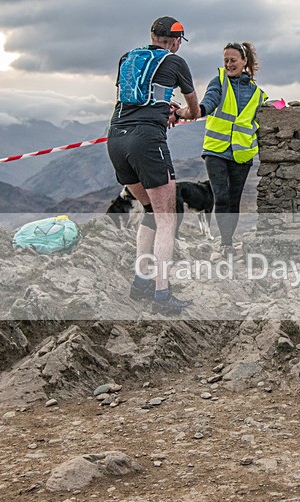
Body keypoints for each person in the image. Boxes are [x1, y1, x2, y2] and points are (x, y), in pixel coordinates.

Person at [107, 16, 201, 315]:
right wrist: (178, 112)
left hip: (116, 138)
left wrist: (163, 108)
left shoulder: (127, 58)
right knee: (167, 217)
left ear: (151, 35)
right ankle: (162, 294)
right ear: (175, 41)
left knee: (149, 210)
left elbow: (133, 98)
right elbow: (194, 110)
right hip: (146, 141)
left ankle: (140, 284)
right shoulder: (175, 63)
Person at [181, 42, 267, 258]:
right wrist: (196, 110)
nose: (228, 64)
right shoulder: (219, 82)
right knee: (220, 196)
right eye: (226, 61)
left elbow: (262, 116)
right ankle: (226, 244)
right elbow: (209, 103)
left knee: (233, 199)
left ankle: (228, 241)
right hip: (216, 150)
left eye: (233, 60)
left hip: (242, 153)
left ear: (244, 61)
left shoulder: (257, 93)